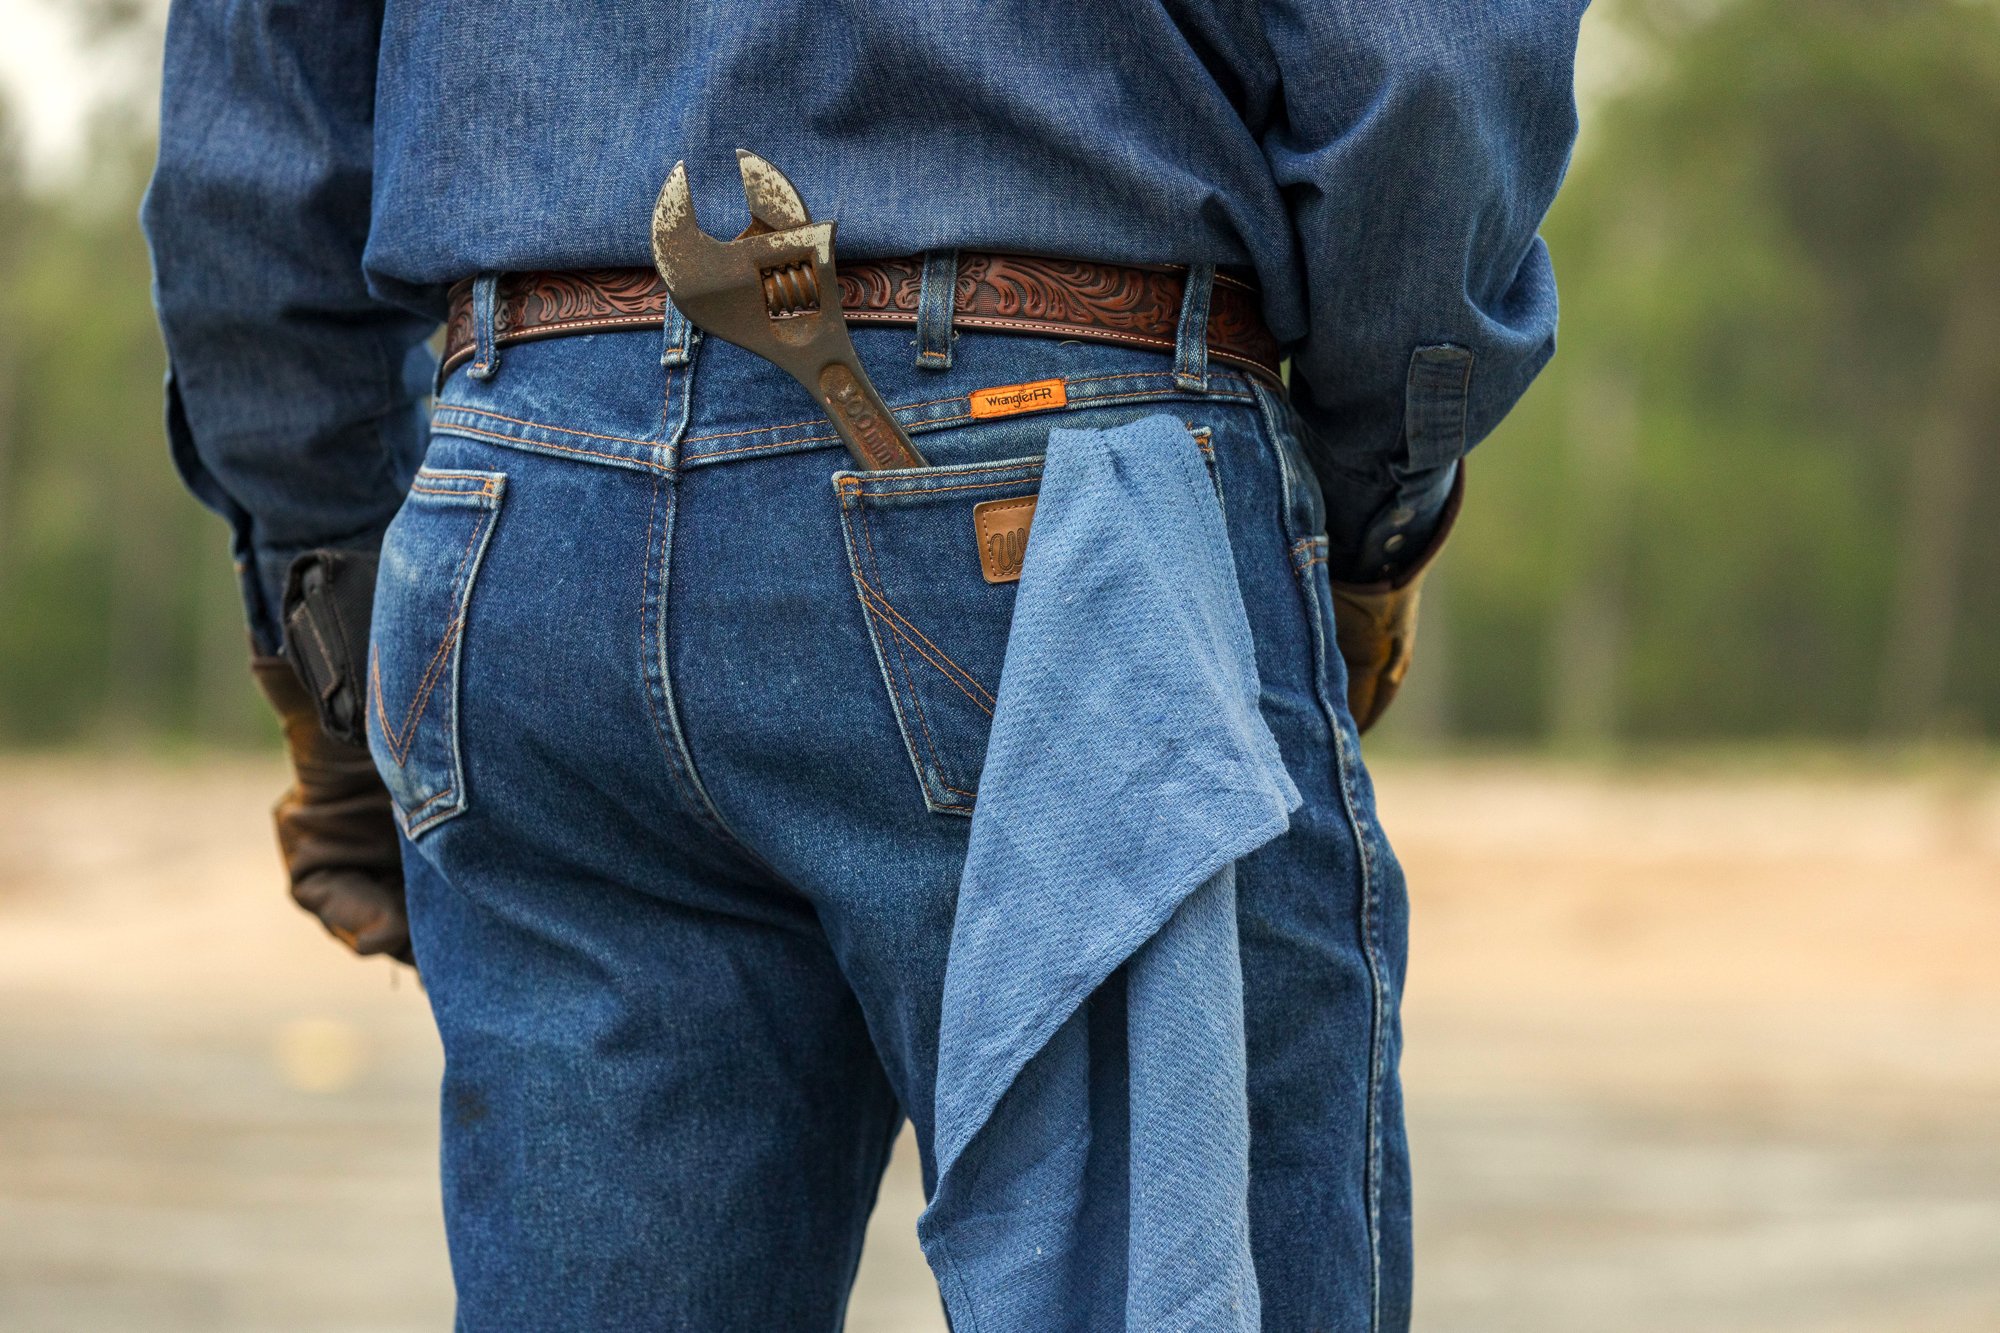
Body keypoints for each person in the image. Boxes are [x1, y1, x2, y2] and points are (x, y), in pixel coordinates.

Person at [143, 3, 1585, 1328]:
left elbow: (255, 133)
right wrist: (1369, 497)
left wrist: (320, 597)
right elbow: (1428, 69)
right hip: (1065, 478)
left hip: (520, 507)